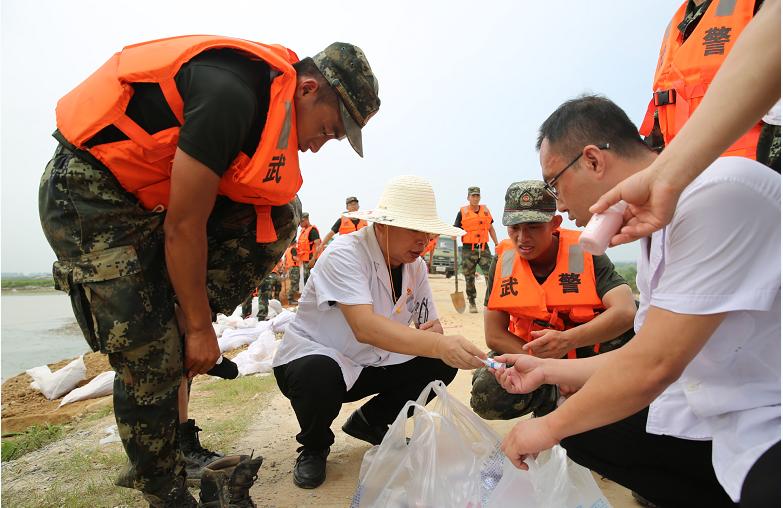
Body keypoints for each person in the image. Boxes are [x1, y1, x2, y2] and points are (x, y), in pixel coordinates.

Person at [39, 35, 380, 506]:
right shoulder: (231, 95)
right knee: (150, 352)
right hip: (90, 194)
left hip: (149, 199)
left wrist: (191, 312)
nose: (322, 145)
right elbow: (184, 224)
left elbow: (218, 214)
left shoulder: (268, 109)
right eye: (329, 128)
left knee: (280, 212)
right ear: (306, 89)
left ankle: (177, 406)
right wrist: (199, 328)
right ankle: (167, 493)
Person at [495, 95, 779, 507]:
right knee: (585, 429)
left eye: (555, 184)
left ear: (592, 160)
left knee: (569, 424)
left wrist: (549, 428)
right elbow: (644, 351)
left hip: (767, 419)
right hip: (719, 410)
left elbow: (653, 364)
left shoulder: (714, 194)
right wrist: (545, 369)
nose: (558, 202)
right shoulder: (651, 226)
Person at [272, 175, 486, 489]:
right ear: (383, 225)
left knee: (439, 362)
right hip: (320, 357)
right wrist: (438, 343)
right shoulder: (345, 253)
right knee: (317, 372)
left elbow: (429, 325)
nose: (423, 240)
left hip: (372, 362)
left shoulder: (416, 267)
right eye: (414, 229)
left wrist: (437, 336)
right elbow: (365, 327)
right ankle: (314, 445)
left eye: (426, 232)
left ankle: (371, 422)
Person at [591, 0, 780, 247]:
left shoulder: (761, 6)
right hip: (697, 209)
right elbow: (662, 134)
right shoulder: (678, 25)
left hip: (759, 211)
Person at [470, 181, 636, 421]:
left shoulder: (584, 250)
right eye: (514, 228)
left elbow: (626, 310)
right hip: (532, 354)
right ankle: (551, 396)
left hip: (587, 352)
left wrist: (568, 343)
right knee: (486, 394)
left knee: (639, 329)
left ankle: (595, 392)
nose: (522, 238)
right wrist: (554, 372)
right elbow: (494, 334)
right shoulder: (503, 260)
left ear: (554, 224)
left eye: (534, 227)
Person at [640, 0, 778, 171]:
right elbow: (661, 124)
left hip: (749, 176)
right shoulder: (677, 23)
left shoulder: (762, 7)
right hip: (687, 179)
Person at [453, 186, 499, 313]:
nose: (475, 198)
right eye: (473, 196)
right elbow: (456, 228)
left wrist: (496, 243)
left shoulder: (485, 211)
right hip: (469, 249)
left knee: (490, 275)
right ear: (468, 197)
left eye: (477, 195)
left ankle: (491, 301)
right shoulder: (462, 212)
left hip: (484, 248)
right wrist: (453, 234)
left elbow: (490, 228)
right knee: (469, 277)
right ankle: (472, 302)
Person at [297, 213, 321, 285]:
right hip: (305, 260)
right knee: (307, 281)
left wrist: (313, 259)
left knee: (313, 280)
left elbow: (318, 245)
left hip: (312, 260)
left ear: (307, 219)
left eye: (302, 221)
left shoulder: (312, 230)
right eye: (299, 222)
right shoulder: (303, 231)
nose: (300, 224)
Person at [284, 239, 301, 304]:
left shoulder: (287, 250)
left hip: (290, 268)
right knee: (294, 284)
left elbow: (285, 261)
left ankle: (290, 299)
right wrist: (300, 258)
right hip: (294, 268)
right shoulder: (293, 249)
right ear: (294, 243)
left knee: (293, 283)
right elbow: (294, 258)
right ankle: (290, 299)